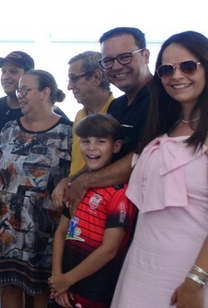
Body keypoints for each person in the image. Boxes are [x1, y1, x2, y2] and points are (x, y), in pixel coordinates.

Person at [90, 31, 208, 308]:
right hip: (141, 271)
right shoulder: (164, 126)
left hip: (189, 277)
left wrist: (195, 281)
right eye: (167, 70)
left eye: (188, 66)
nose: (177, 76)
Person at [0, 70, 71, 308]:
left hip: (47, 230)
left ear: (46, 92)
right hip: (8, 223)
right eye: (19, 90)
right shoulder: (9, 129)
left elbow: (75, 181)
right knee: (9, 285)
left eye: (26, 90)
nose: (19, 95)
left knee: (43, 290)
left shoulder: (68, 132)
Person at [43, 114, 134, 308]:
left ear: (116, 146)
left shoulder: (120, 193)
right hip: (64, 281)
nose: (92, 148)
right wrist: (58, 277)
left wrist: (67, 280)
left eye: (101, 141)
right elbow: (61, 233)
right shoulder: (76, 187)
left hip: (94, 287)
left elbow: (109, 250)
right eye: (86, 141)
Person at [55, 27, 152, 209]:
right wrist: (71, 179)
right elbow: (103, 157)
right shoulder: (116, 106)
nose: (116, 66)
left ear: (145, 56)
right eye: (108, 61)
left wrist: (85, 181)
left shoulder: (163, 101)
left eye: (125, 57)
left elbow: (144, 158)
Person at [66, 51, 114, 176]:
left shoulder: (117, 113)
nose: (69, 87)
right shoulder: (79, 115)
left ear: (96, 77)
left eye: (74, 79)